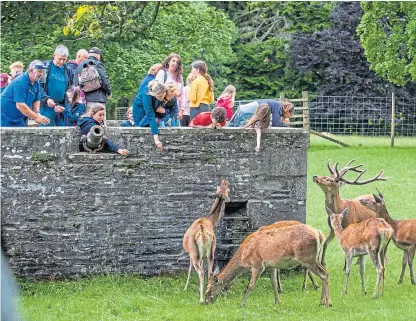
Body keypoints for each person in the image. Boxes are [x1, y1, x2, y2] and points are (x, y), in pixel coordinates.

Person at [0, 60, 50, 127]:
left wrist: (37, 113)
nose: (41, 74)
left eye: (43, 72)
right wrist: (36, 117)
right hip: (5, 116)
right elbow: (20, 105)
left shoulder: (36, 82)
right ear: (31, 70)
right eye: (39, 71)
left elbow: (36, 100)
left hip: (18, 118)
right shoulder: (20, 82)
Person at [39, 44, 72, 126]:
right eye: (60, 59)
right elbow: (38, 86)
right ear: (54, 55)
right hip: (46, 106)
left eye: (64, 59)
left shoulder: (67, 70)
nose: (61, 62)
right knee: (45, 132)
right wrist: (47, 99)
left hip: (61, 107)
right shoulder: (45, 67)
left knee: (62, 132)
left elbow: (70, 87)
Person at [133, 80, 166, 151]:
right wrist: (156, 139)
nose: (162, 97)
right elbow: (150, 114)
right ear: (155, 94)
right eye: (160, 96)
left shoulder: (160, 88)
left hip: (150, 109)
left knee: (157, 116)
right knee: (142, 125)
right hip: (140, 110)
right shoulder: (146, 93)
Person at [155, 53, 185, 126]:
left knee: (176, 131)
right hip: (164, 107)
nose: (175, 63)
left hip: (176, 108)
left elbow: (183, 93)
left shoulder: (179, 76)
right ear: (169, 61)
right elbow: (158, 91)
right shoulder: (162, 73)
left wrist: (182, 109)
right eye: (173, 61)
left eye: (177, 62)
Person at [228, 99, 293, 128]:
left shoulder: (276, 105)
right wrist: (286, 126)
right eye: (291, 113)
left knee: (231, 126)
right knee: (235, 129)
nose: (291, 116)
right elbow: (276, 123)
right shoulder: (278, 106)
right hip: (248, 111)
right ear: (287, 111)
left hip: (244, 109)